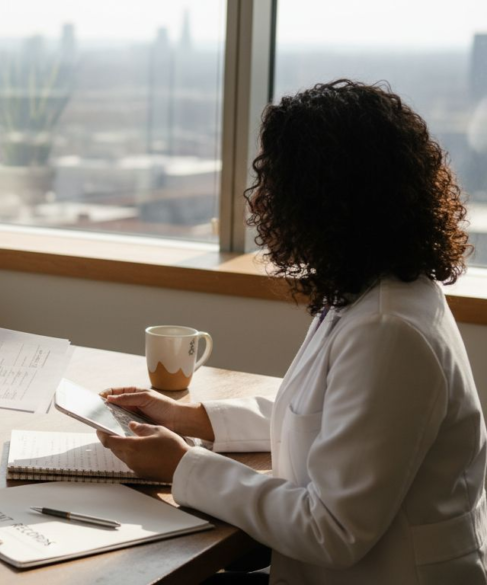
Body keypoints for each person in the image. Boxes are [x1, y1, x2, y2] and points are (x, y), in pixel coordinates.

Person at [98, 80, 487, 583]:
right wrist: (193, 418)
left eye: (273, 182)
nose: (259, 201)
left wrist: (182, 465)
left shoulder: (388, 330)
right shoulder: (375, 290)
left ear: (326, 198)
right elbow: (322, 418)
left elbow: (332, 530)